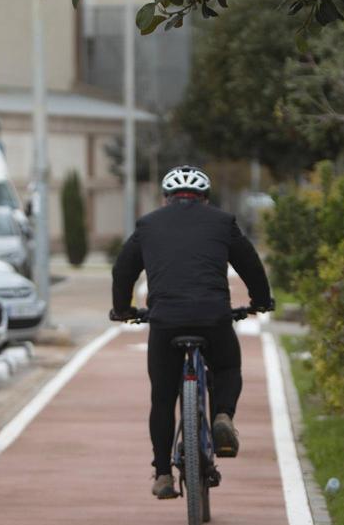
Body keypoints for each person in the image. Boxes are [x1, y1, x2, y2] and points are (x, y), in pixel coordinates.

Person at [111, 165, 274, 499]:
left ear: (166, 198)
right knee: (227, 367)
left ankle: (162, 474)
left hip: (165, 321)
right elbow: (250, 264)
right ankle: (223, 414)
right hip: (213, 317)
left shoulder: (148, 225)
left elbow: (123, 270)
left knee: (162, 397)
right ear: (205, 198)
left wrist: (123, 309)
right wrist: (260, 301)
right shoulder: (223, 222)